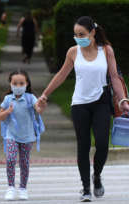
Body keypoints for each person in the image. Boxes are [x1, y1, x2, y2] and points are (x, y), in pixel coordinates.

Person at [35, 16, 129, 202]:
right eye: (76, 34)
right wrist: (45, 94)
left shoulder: (106, 50)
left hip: (101, 103)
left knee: (102, 144)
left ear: (93, 32)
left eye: (82, 34)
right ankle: (86, 188)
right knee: (83, 146)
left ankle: (97, 176)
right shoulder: (73, 52)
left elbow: (114, 77)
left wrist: (123, 100)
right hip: (79, 105)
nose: (78, 38)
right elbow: (61, 75)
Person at [0, 70, 44, 201]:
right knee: (10, 159)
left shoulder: (30, 98)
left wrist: (42, 105)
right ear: (10, 84)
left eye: (21, 83)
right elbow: (0, 117)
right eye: (15, 83)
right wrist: (8, 111)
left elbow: (38, 109)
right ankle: (11, 187)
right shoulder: (8, 99)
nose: (18, 86)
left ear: (27, 84)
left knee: (24, 163)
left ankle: (23, 188)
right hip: (11, 135)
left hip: (27, 136)